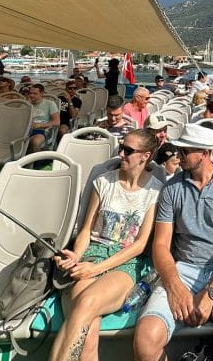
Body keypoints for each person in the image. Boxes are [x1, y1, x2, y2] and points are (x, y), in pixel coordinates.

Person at [134, 123, 213, 361]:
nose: (178, 156)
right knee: (145, 340)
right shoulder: (172, 189)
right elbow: (161, 245)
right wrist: (174, 285)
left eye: (185, 151)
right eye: (178, 150)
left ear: (205, 153)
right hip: (182, 272)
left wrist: (210, 293)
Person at [48, 129, 163, 361]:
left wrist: (95, 269)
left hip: (127, 260)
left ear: (145, 156)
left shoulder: (156, 190)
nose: (121, 153)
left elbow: (140, 245)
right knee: (89, 329)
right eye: (121, 147)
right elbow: (86, 231)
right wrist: (76, 256)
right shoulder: (104, 182)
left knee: (87, 303)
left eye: (128, 150)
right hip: (94, 252)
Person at [27, 84, 59, 151]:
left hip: (42, 130)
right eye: (30, 93)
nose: (31, 95)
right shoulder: (26, 104)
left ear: (42, 94)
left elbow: (56, 122)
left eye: (35, 93)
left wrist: (38, 125)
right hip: (26, 130)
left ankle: (36, 160)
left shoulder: (50, 104)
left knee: (36, 141)